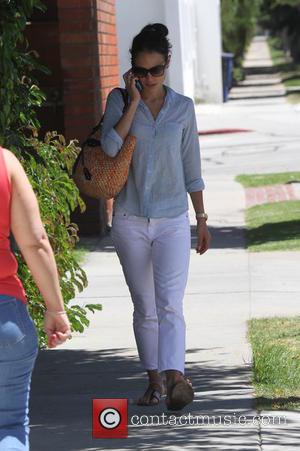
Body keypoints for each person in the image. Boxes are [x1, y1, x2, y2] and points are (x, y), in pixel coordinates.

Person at [100, 23, 211, 411]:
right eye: (141, 72)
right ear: (132, 69)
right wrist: (132, 102)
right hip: (129, 219)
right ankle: (154, 382)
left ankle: (176, 377)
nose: (148, 79)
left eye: (156, 71)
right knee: (145, 306)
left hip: (172, 220)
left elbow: (191, 166)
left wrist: (201, 216)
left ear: (168, 66)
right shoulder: (119, 100)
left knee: (170, 304)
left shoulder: (183, 108)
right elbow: (111, 148)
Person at [0, 146, 72, 450]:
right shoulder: (5, 162)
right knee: (9, 425)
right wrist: (56, 309)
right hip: (5, 319)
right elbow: (35, 241)